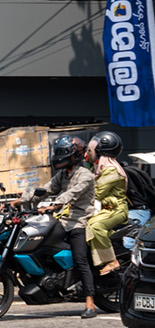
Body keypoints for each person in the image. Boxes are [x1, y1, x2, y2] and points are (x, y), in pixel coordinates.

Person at [39, 135, 98, 317]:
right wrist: (19, 200)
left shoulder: (85, 175)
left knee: (81, 259)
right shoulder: (63, 174)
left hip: (79, 220)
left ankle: (90, 303)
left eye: (62, 154)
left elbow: (72, 193)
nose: (58, 157)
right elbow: (46, 189)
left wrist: (54, 204)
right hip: (63, 219)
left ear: (74, 155)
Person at [86, 130, 130, 277]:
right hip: (105, 210)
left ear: (99, 152)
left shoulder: (111, 170)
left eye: (90, 151)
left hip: (116, 210)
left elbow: (96, 192)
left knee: (95, 226)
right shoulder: (98, 168)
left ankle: (111, 260)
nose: (87, 154)